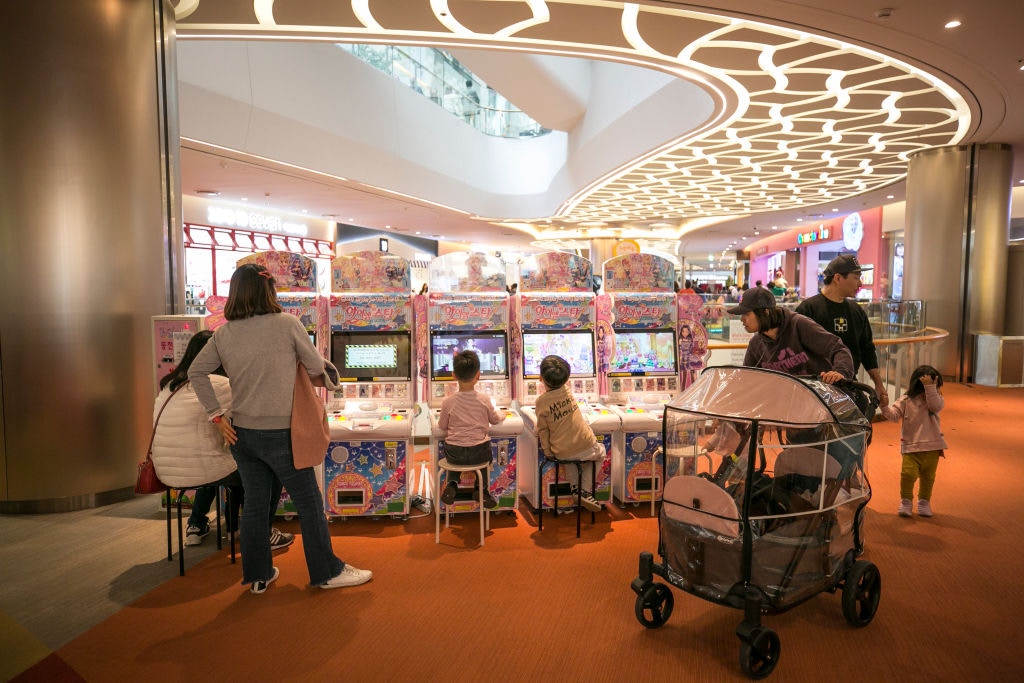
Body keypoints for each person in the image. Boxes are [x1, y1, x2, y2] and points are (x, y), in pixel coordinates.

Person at [189, 263, 372, 594]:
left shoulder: (223, 334)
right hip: (282, 434)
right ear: (268, 290)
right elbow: (315, 366)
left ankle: (258, 576)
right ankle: (327, 572)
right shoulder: (287, 324)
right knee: (309, 503)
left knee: (255, 505)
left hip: (242, 434)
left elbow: (196, 372)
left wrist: (217, 416)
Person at [152, 330, 294, 550]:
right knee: (263, 471)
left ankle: (196, 525)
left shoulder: (168, 385)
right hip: (204, 467)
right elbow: (246, 419)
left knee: (210, 465)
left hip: (167, 470)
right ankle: (260, 533)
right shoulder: (220, 384)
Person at [797, 254, 890, 408]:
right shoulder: (808, 310)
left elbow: (867, 350)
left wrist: (878, 384)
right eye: (856, 278)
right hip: (815, 391)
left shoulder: (857, 311)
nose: (860, 283)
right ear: (838, 278)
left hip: (849, 387)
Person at [729, 286, 854, 383]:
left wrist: (840, 373)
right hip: (786, 404)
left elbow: (838, 349)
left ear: (765, 312)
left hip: (819, 399)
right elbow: (747, 380)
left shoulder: (798, 325)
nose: (742, 319)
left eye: (746, 314)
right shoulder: (756, 344)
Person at [533, 355, 603, 512]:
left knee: (568, 458)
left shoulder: (541, 402)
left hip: (562, 451)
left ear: (540, 378)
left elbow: (542, 430)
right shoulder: (567, 390)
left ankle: (576, 489)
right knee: (601, 453)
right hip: (586, 444)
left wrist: (548, 452)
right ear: (567, 379)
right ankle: (583, 490)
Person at [437, 350, 505, 509]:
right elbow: (495, 420)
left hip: (454, 452)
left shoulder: (448, 402)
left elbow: (442, 426)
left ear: (453, 375)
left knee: (456, 455)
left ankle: (452, 485)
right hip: (479, 452)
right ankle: (481, 489)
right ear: (478, 375)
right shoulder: (484, 399)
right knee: (485, 460)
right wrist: (502, 414)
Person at [879, 364, 947, 518]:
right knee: (907, 475)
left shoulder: (935, 400)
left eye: (935, 385)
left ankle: (924, 502)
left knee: (928, 478)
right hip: (911, 447)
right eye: (929, 385)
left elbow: (936, 406)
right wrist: (884, 406)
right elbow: (893, 416)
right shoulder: (906, 400)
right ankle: (906, 501)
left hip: (932, 447)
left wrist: (930, 388)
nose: (933, 389)